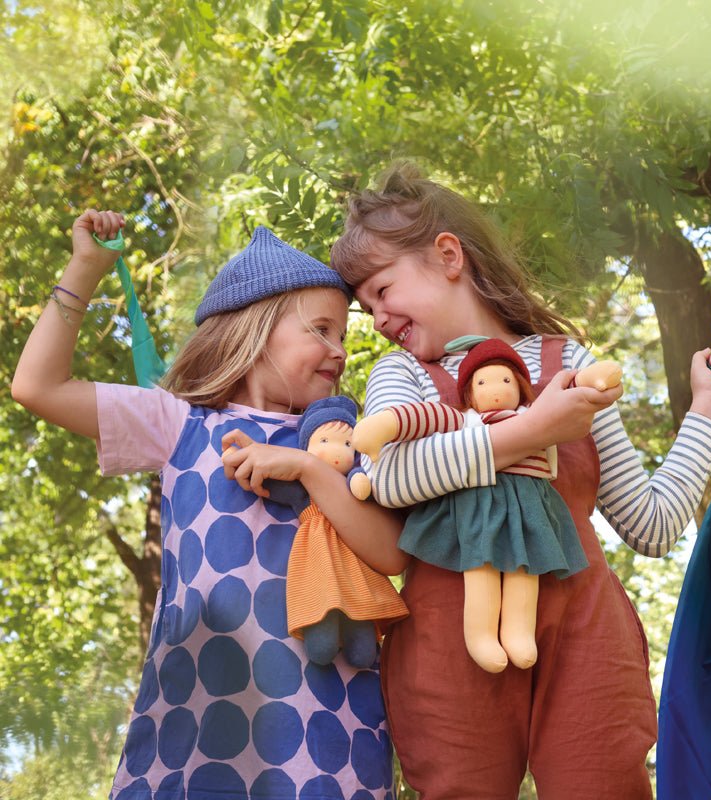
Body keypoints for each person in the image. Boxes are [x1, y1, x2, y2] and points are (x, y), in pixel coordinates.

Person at [329, 163, 711, 800]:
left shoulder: (568, 363)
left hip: (586, 635)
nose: (377, 318)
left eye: (382, 290)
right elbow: (388, 478)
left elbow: (652, 525)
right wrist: (527, 432)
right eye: (364, 308)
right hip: (448, 642)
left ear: (447, 256)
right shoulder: (400, 377)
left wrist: (708, 415)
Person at [12, 210, 407, 800]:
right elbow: (36, 387)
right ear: (255, 328)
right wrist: (86, 268)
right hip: (195, 721)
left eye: (344, 337)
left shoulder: (346, 446)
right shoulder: (180, 425)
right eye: (321, 330)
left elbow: (390, 554)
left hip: (328, 726)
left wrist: (305, 468)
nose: (340, 352)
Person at [353, 336, 592, 673]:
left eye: (505, 380)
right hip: (481, 513)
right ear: (469, 392)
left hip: (530, 512)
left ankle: (519, 634)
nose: (495, 389)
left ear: (521, 386)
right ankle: (480, 636)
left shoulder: (543, 399)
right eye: (482, 382)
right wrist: (383, 426)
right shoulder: (467, 420)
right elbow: (423, 417)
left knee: (526, 570)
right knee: (481, 568)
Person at [228, 395, 408, 669]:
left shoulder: (355, 483)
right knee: (319, 617)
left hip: (355, 566)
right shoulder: (301, 491)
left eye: (347, 444)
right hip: (317, 558)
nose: (337, 452)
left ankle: (360, 639)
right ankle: (323, 635)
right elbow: (272, 484)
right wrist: (244, 461)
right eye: (324, 441)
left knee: (361, 638)